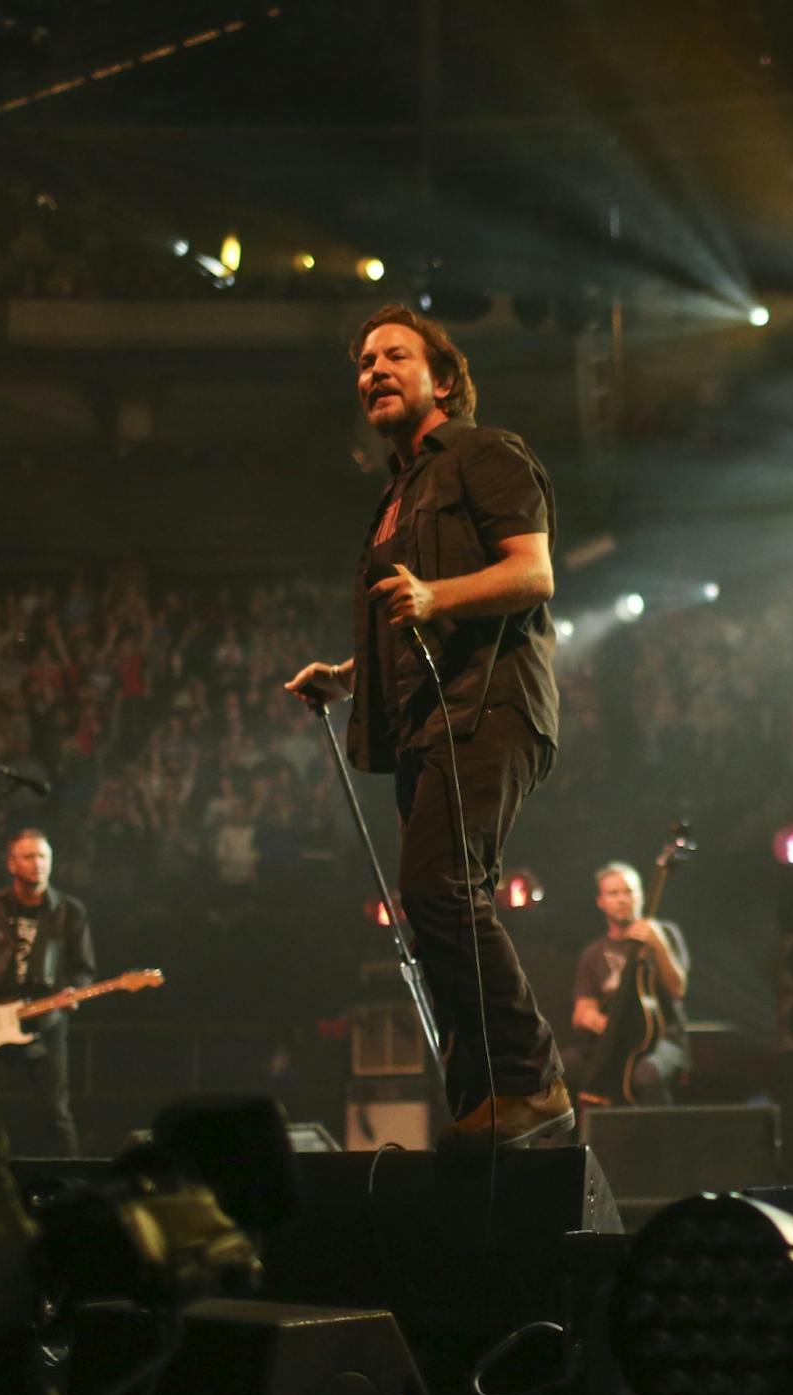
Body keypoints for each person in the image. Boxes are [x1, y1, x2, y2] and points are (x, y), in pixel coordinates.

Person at [286, 304, 570, 1150]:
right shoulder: (395, 494)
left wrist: (436, 596)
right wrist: (348, 675)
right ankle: (487, 1105)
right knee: (436, 898)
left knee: (442, 888)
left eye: (394, 356)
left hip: (489, 702)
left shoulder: (486, 454)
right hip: (423, 720)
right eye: (364, 361)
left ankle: (533, 1079)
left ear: (441, 378)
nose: (372, 370)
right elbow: (409, 615)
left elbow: (535, 571)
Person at [0, 827, 92, 1157]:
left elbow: (82, 967)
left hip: (45, 1022)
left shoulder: (69, 911)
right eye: (29, 857)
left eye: (43, 857)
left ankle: (72, 1182)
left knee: (56, 1113)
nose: (37, 864)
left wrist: (74, 991)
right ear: (11, 864)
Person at [569, 861, 691, 1105]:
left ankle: (662, 1139)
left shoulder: (665, 934)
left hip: (663, 1040)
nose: (622, 899)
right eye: (614, 893)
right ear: (600, 902)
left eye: (629, 891)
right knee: (561, 1067)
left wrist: (658, 944)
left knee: (646, 1075)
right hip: (614, 1042)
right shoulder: (592, 954)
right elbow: (582, 1010)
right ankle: (568, 1142)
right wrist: (592, 1018)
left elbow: (678, 989)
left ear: (641, 896)